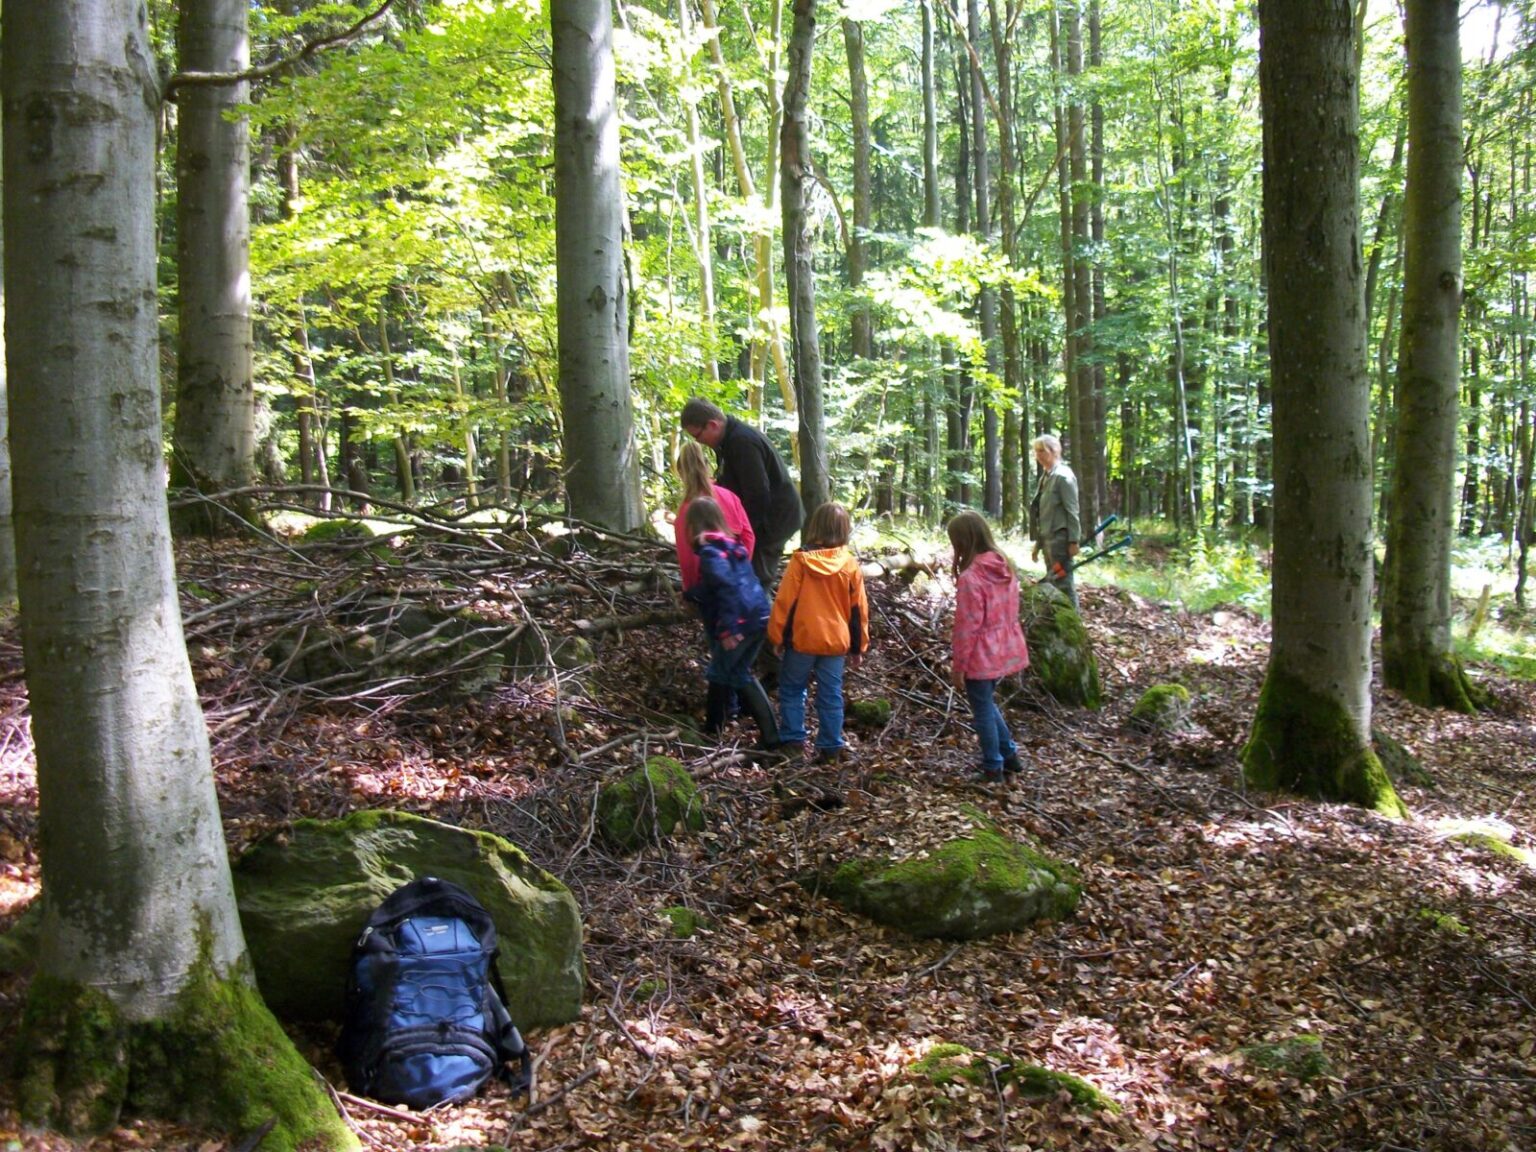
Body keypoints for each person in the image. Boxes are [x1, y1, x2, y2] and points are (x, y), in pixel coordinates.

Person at [768, 502, 869, 764]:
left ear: (815, 527)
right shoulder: (849, 564)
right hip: (835, 642)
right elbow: (858, 611)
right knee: (831, 694)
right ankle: (830, 747)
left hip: (803, 639)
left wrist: (777, 636)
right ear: (844, 530)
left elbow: (785, 601)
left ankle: (793, 741)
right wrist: (858, 647)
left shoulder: (801, 560)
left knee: (792, 689)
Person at [682, 497, 782, 748]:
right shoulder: (733, 548)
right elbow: (722, 584)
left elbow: (727, 588)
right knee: (736, 672)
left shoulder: (710, 553)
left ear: (694, 525)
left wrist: (729, 628)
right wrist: (692, 594)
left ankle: (714, 730)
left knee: (720, 672)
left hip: (742, 621)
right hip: (759, 615)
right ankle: (764, 735)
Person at [680, 397, 803, 588]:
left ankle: (762, 616)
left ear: (712, 425)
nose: (699, 442)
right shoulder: (727, 442)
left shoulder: (742, 442)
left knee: (754, 580)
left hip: (773, 520)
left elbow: (758, 494)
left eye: (698, 436)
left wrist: (743, 533)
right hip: (764, 519)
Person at [947, 511, 1029, 783]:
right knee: (986, 703)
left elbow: (967, 627)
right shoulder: (1005, 566)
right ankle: (1009, 755)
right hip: (1005, 649)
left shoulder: (971, 578)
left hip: (982, 654)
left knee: (982, 709)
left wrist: (959, 667)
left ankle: (993, 765)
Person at [673, 440, 754, 595]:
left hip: (709, 587)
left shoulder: (685, 510)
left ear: (681, 473)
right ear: (707, 466)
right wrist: (742, 569)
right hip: (738, 578)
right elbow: (748, 536)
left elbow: (688, 559)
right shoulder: (729, 496)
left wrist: (690, 591)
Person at [1029, 434, 1081, 610]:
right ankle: (1059, 621)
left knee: (1063, 582)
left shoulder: (1063, 477)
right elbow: (1043, 515)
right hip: (1048, 539)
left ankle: (1074, 623)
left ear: (1054, 451)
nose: (1039, 455)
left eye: (1042, 450)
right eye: (1036, 451)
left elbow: (1072, 510)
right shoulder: (1046, 477)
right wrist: (1038, 544)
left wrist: (1073, 541)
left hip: (1061, 540)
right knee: (1053, 581)